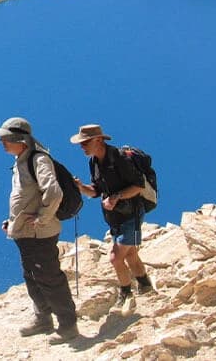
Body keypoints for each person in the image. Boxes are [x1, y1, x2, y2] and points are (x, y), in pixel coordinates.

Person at [0, 116, 79, 344]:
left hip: (40, 233)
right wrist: (12, 222)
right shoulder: (21, 161)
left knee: (49, 277)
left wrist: (42, 218)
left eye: (6, 139)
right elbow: (25, 199)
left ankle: (68, 326)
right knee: (31, 275)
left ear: (20, 139)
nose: (2, 143)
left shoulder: (38, 160)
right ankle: (43, 319)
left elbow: (54, 192)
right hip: (25, 234)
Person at [69, 124, 153, 309]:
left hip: (132, 214)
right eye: (81, 143)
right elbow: (96, 191)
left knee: (115, 257)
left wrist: (116, 197)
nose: (82, 146)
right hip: (116, 218)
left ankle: (126, 293)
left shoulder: (120, 158)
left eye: (85, 142)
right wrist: (81, 187)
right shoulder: (94, 163)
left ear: (98, 140)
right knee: (130, 254)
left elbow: (138, 186)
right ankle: (146, 286)